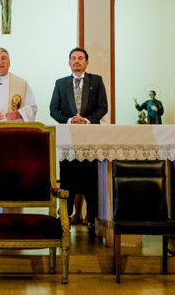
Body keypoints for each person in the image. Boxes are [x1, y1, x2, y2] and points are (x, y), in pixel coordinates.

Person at [50, 47, 108, 234]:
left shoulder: (96, 81)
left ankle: (92, 217)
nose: (76, 61)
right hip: (68, 139)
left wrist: (87, 120)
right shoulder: (61, 83)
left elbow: (103, 107)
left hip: (91, 138)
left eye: (80, 58)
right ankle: (65, 216)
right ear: (69, 62)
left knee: (91, 178)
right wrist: (69, 120)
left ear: (86, 62)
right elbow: (53, 109)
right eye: (73, 58)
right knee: (68, 178)